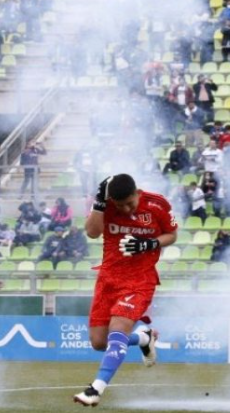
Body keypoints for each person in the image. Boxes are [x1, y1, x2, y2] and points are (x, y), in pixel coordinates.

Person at [74, 174, 177, 407]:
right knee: (99, 342)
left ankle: (95, 390)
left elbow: (172, 235)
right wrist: (99, 204)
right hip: (108, 279)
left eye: (130, 203)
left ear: (137, 192)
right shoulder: (105, 205)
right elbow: (92, 232)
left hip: (140, 280)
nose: (126, 209)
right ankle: (144, 338)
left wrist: (148, 243)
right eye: (120, 206)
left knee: (118, 330)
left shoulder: (157, 204)